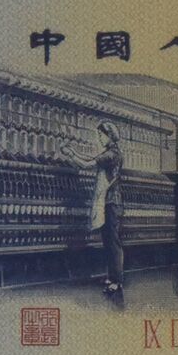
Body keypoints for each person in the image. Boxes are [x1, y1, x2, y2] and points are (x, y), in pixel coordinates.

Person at [71, 120, 125, 298]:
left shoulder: (111, 155)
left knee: (113, 242)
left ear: (109, 136)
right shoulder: (112, 153)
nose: (99, 138)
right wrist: (74, 153)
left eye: (101, 135)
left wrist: (70, 155)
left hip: (111, 202)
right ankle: (112, 276)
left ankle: (117, 281)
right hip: (109, 202)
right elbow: (90, 159)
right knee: (108, 241)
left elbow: (86, 164)